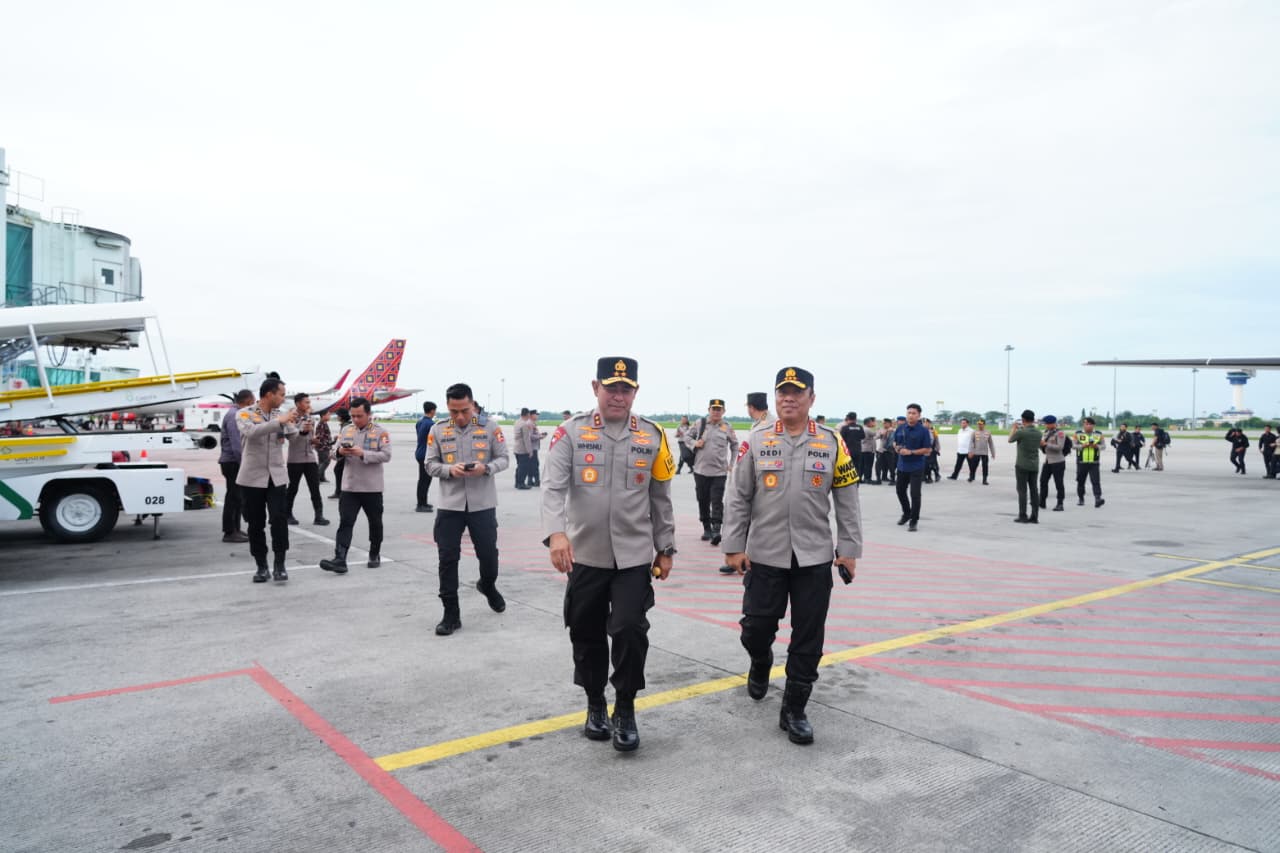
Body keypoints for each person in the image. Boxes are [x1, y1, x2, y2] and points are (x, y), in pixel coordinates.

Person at [542, 356, 676, 752]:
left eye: (625, 389)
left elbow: (661, 497)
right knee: (585, 631)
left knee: (630, 628)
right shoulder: (570, 432)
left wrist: (665, 547)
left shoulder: (652, 435)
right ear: (595, 388)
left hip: (634, 555)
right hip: (585, 553)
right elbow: (552, 488)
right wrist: (556, 534)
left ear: (635, 392)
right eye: (611, 387)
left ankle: (626, 707)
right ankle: (595, 703)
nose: (618, 395)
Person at [723, 366, 861, 745]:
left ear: (811, 398)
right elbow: (738, 496)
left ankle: (795, 708)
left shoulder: (832, 442)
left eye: (797, 392)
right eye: (782, 392)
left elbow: (847, 499)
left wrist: (848, 550)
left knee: (808, 637)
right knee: (755, 629)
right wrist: (733, 546)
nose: (788, 398)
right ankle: (760, 660)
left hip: (813, 557)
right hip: (765, 555)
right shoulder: (756, 439)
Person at [424, 383, 510, 636]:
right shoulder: (438, 429)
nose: (460, 416)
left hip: (482, 504)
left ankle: (487, 585)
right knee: (447, 559)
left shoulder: (490, 427)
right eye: (454, 411)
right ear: (447, 407)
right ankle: (451, 614)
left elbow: (504, 458)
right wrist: (450, 470)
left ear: (473, 404)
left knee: (488, 555)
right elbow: (429, 464)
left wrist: (487, 468)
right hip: (450, 505)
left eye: (464, 410)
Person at [236, 377, 298, 582]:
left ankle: (280, 564)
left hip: (277, 477)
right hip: (252, 477)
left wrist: (301, 429)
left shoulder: (281, 414)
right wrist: (279, 422)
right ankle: (261, 566)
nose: (283, 399)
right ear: (269, 394)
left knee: (279, 520)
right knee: (255, 523)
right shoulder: (244, 413)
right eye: (281, 395)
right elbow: (252, 432)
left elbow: (293, 435)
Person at [319, 397, 391, 573]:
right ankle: (340, 559)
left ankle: (374, 553)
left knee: (375, 523)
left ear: (369, 414)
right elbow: (332, 454)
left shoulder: (380, 432)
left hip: (372, 488)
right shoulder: (346, 430)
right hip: (350, 487)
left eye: (360, 416)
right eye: (353, 416)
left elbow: (386, 455)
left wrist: (363, 454)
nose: (356, 419)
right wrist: (340, 452)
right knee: (346, 522)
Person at [690, 399, 739, 546]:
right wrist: (694, 443)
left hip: (719, 472)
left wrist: (732, 463)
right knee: (703, 499)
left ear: (723, 411)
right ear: (709, 410)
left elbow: (735, 445)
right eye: (714, 409)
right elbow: (686, 436)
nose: (716, 412)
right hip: (700, 470)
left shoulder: (727, 427)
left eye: (719, 409)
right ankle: (707, 528)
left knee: (717, 500)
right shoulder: (700, 424)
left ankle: (716, 529)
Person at [285, 393, 330, 527]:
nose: (309, 405)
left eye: (309, 402)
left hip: (310, 458)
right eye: (306, 402)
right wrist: (303, 428)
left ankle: (319, 516)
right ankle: (287, 514)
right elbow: (292, 437)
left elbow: (309, 436)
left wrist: (313, 441)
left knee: (315, 488)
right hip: (295, 459)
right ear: (298, 403)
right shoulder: (290, 417)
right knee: (292, 488)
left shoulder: (310, 418)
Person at [218, 389, 255, 543]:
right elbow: (237, 444)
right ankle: (229, 531)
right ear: (247, 401)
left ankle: (236, 529)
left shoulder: (239, 413)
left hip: (234, 461)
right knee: (233, 497)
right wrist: (245, 464)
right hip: (233, 462)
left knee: (238, 497)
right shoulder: (234, 415)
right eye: (253, 401)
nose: (254, 404)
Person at [893, 405, 932, 531]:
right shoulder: (900, 428)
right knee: (900, 491)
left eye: (913, 413)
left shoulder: (923, 431)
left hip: (916, 466)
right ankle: (906, 513)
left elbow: (927, 449)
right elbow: (895, 442)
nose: (910, 415)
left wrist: (911, 452)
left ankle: (914, 520)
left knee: (915, 494)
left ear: (919, 415)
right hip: (902, 466)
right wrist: (897, 448)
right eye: (909, 412)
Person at [1008, 409, 1042, 524]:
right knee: (1034, 490)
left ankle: (1023, 515)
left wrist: (1014, 428)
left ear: (1023, 419)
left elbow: (1010, 440)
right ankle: (1035, 516)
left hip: (1022, 464)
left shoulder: (1021, 432)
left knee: (1022, 491)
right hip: (1034, 465)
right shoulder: (1039, 433)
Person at [1037, 415, 1069, 512]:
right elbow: (1043, 446)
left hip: (1058, 461)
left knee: (1058, 483)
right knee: (1043, 481)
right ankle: (1042, 501)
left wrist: (1046, 444)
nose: (1045, 425)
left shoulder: (1060, 433)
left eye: (1047, 424)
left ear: (1053, 424)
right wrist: (1040, 445)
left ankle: (1060, 503)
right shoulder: (1046, 433)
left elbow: (1060, 447)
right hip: (1048, 461)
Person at [1074, 417, 1106, 507]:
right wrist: (1082, 446)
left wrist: (1096, 447)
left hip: (1094, 462)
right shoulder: (1078, 433)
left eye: (1089, 424)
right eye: (1085, 424)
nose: (1087, 426)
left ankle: (1098, 498)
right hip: (1081, 462)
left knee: (1096, 481)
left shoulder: (1098, 434)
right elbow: (1073, 445)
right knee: (1081, 481)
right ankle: (1081, 498)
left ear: (1093, 425)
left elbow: (1103, 446)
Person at [415, 401, 438, 511]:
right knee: (425, 480)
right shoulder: (431, 424)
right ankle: (421, 504)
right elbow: (432, 441)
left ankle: (423, 502)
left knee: (422, 480)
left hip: (419, 452)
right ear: (432, 410)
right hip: (426, 454)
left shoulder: (419, 422)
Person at [329, 408, 351, 498]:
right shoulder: (345, 424)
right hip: (343, 450)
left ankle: (340, 492)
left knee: (338, 470)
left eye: (338, 415)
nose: (337, 417)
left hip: (344, 451)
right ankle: (340, 491)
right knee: (339, 470)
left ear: (341, 416)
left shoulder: (346, 425)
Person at [839, 412, 865, 482]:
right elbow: (863, 436)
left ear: (848, 418)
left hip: (847, 451)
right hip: (858, 450)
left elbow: (841, 438)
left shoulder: (845, 428)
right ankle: (857, 481)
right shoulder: (860, 427)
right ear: (856, 418)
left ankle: (849, 481)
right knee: (857, 466)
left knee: (848, 467)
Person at [968, 418, 995, 484]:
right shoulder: (974, 432)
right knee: (973, 466)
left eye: (981, 424)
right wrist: (970, 451)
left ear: (984, 425)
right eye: (978, 424)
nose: (979, 425)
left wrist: (993, 453)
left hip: (984, 453)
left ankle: (984, 480)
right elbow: (971, 442)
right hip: (976, 453)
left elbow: (991, 443)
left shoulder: (988, 432)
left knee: (985, 467)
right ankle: (971, 477)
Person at [513, 407, 532, 490]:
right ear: (527, 414)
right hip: (522, 449)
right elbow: (526, 439)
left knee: (519, 467)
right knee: (523, 468)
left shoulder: (517, 422)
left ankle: (517, 483)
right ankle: (521, 483)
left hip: (516, 448)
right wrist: (529, 451)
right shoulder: (524, 424)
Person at [315, 410, 335, 483]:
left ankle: (321, 478)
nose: (329, 416)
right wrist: (327, 445)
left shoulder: (324, 423)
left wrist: (332, 442)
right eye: (328, 415)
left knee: (321, 462)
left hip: (323, 446)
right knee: (326, 461)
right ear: (323, 416)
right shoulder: (321, 424)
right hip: (323, 447)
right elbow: (320, 437)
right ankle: (316, 477)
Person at [527, 410, 546, 487]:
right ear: (531, 415)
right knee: (534, 465)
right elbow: (530, 436)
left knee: (532, 465)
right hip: (532, 447)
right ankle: (536, 481)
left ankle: (531, 480)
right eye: (536, 414)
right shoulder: (530, 423)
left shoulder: (532, 423)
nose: (537, 416)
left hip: (534, 447)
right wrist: (540, 436)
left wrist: (540, 435)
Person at [858, 417, 878, 484]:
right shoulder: (868, 430)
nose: (873, 423)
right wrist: (877, 428)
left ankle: (859, 478)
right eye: (872, 422)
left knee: (862, 465)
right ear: (868, 423)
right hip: (868, 450)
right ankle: (867, 478)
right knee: (868, 465)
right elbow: (876, 434)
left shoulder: (862, 428)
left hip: (862, 449)